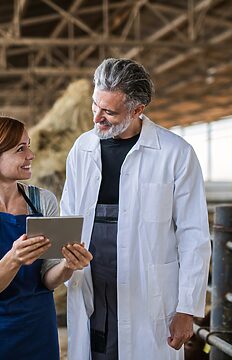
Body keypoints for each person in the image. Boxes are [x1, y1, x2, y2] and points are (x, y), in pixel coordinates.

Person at [60, 58, 211, 360]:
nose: (97, 119)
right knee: (95, 348)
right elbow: (69, 215)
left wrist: (186, 308)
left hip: (149, 292)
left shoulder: (175, 153)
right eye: (95, 106)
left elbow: (194, 235)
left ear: (138, 110)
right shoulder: (82, 148)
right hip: (93, 280)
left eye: (109, 112)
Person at [0, 115, 92, 360]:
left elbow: (47, 280)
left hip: (37, 331)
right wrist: (13, 259)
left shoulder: (43, 201)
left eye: (28, 145)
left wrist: (68, 266)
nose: (31, 155)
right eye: (20, 149)